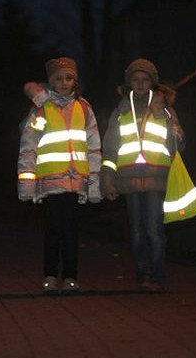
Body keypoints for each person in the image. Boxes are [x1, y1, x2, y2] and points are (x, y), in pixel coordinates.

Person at [17, 57, 102, 294]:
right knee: (54, 230)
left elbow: (94, 147)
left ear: (75, 80)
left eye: (69, 78)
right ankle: (50, 275)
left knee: (71, 232)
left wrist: (94, 184)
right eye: (59, 78)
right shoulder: (42, 110)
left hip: (76, 183)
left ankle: (71, 277)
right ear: (51, 82)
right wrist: (27, 184)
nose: (64, 83)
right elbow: (28, 147)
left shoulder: (84, 108)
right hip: (51, 183)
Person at [100, 58, 184, 292]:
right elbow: (111, 147)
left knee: (154, 229)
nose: (139, 83)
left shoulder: (164, 110)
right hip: (128, 179)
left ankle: (157, 276)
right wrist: (108, 180)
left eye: (144, 79)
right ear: (129, 83)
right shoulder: (120, 111)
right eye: (135, 79)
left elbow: (179, 143)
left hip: (157, 177)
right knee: (137, 230)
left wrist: (176, 132)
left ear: (152, 82)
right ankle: (143, 275)